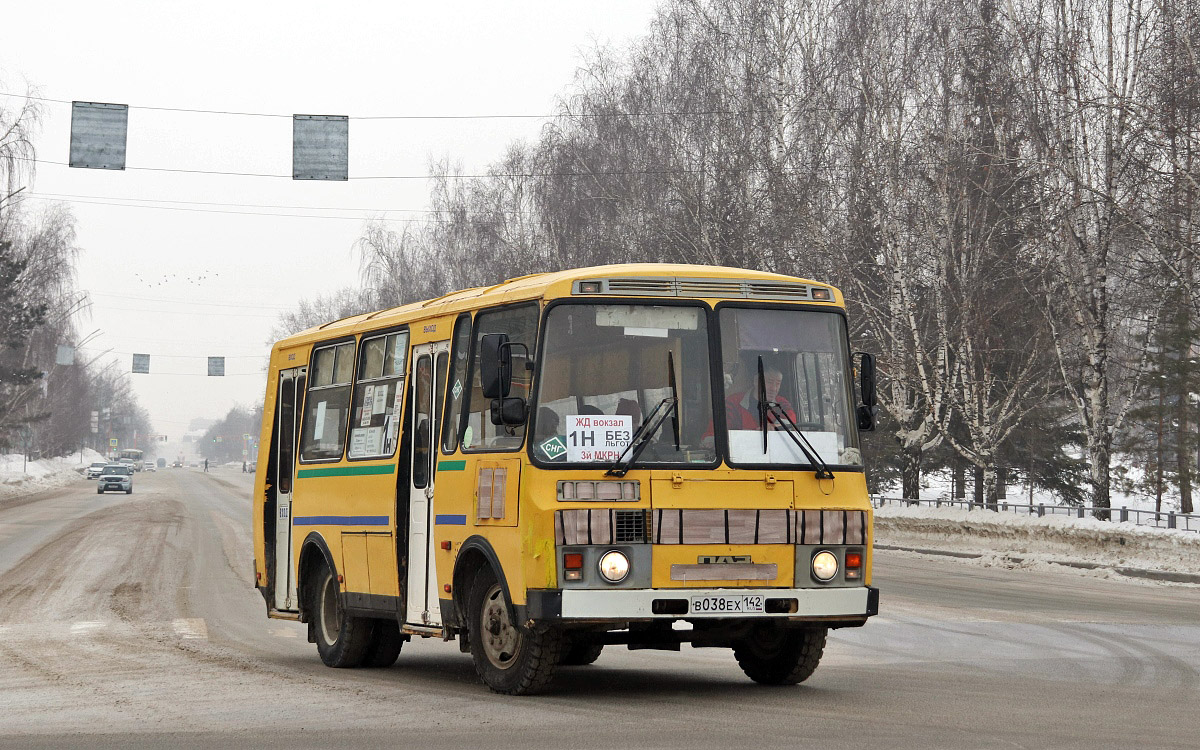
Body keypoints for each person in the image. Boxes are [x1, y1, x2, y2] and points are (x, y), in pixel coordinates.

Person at [725, 365, 797, 430]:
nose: (774, 388)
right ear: (756, 381)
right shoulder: (733, 402)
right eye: (769, 382)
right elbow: (722, 432)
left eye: (778, 384)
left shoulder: (781, 403)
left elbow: (791, 422)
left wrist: (775, 426)